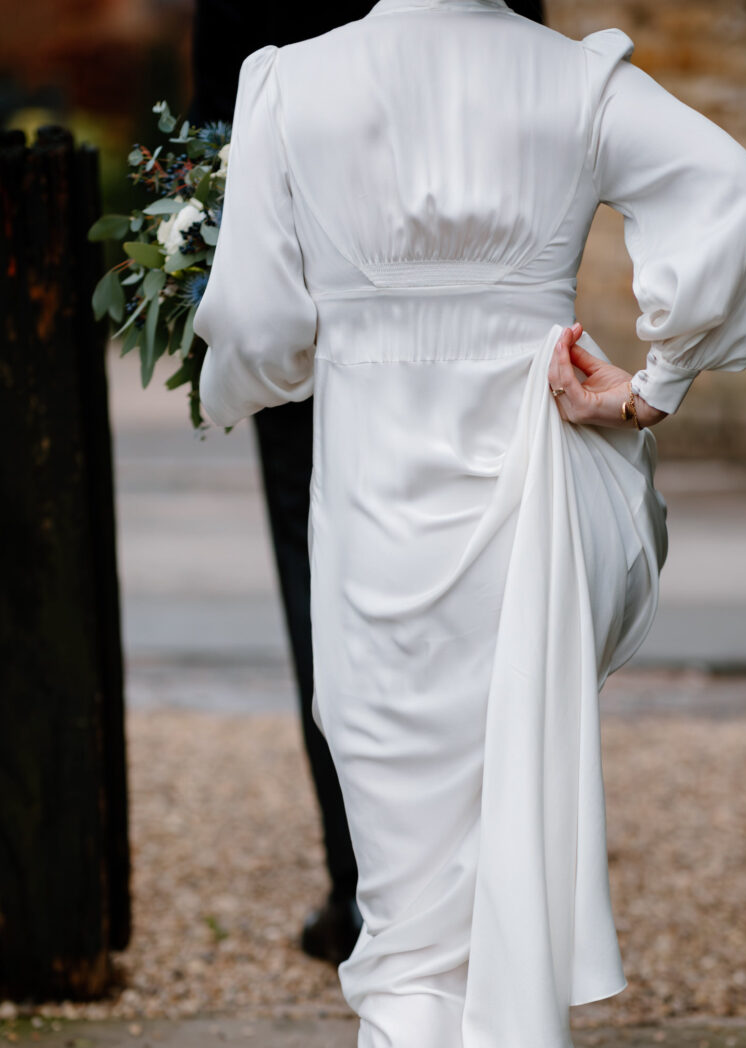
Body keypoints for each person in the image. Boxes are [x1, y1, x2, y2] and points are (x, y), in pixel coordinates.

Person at [194, 0, 746, 1048]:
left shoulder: (292, 84)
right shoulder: (570, 80)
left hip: (379, 540)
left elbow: (260, 333)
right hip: (529, 513)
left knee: (404, 922)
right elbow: (733, 187)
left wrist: (271, 358)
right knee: (486, 849)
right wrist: (654, 384)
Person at [190, 0, 545, 966]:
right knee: (482, 574)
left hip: (311, 280)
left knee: (326, 580)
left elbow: (214, 119)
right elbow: (522, 64)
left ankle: (367, 883)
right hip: (479, 299)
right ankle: (485, 880)